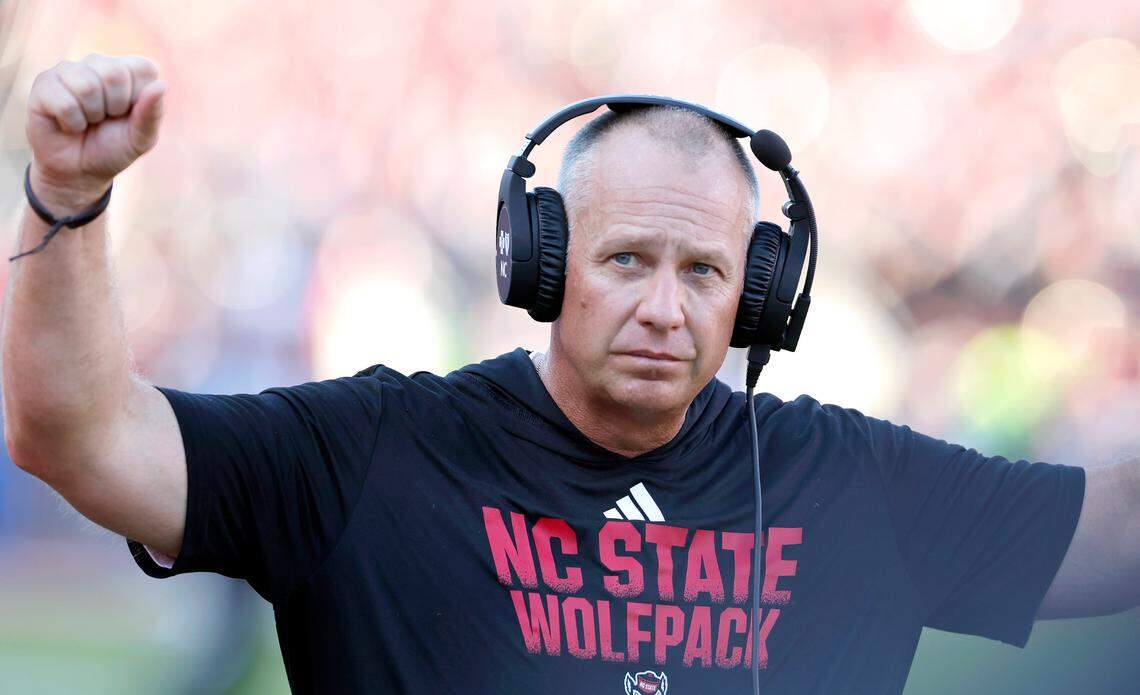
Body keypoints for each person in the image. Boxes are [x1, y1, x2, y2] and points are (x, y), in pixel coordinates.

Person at [3, 53, 1137, 695]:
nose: (663, 304)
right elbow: (80, 433)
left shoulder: (850, 481)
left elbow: (1117, 535)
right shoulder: (378, 450)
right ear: (538, 261)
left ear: (763, 289)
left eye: (704, 270)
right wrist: (69, 196)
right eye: (625, 258)